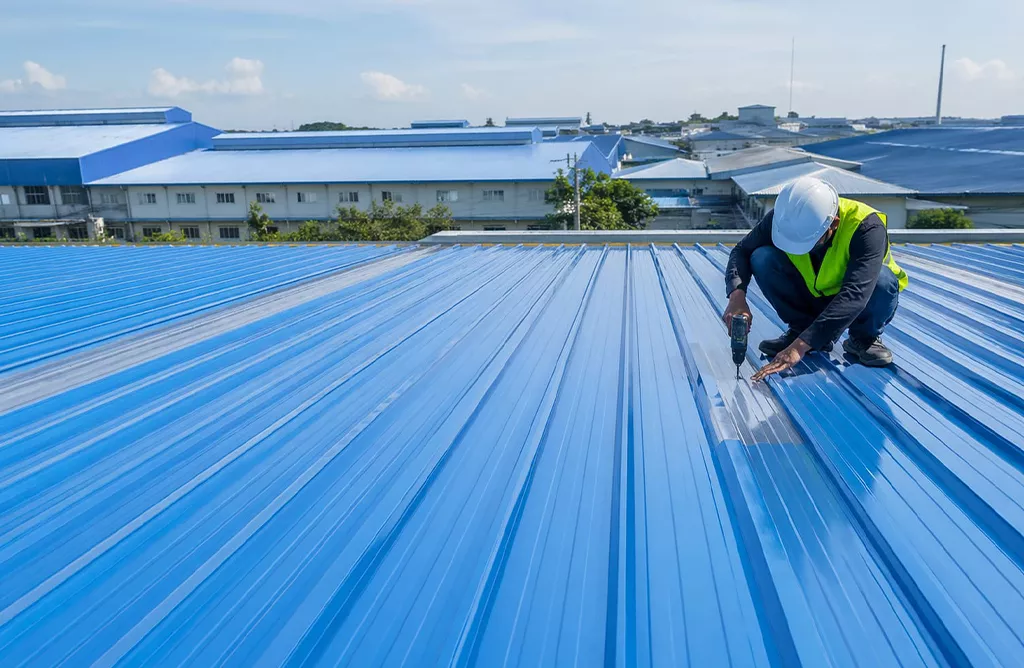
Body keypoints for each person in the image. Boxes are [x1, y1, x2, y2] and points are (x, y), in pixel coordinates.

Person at [722, 176, 908, 382]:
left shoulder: (867, 227)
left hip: (857, 302)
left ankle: (863, 338)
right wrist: (737, 297)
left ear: (834, 224)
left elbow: (856, 293)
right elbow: (742, 250)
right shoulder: (784, 219)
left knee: (883, 280)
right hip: (812, 295)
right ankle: (802, 329)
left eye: (809, 241)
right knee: (762, 257)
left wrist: (798, 348)